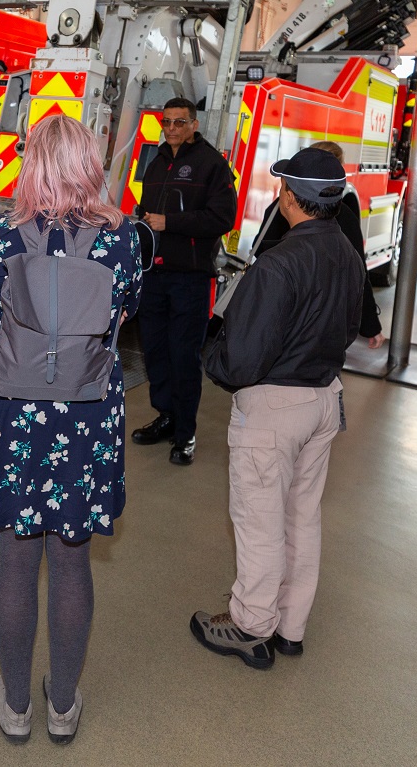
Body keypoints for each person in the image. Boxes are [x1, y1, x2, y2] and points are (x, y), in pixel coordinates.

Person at [0, 114, 142, 744]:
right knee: (72, 562)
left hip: (15, 409)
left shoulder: (3, 237)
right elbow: (125, 312)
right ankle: (62, 704)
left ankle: (14, 704)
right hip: (87, 413)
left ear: (32, 163)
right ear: (91, 163)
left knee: (14, 562)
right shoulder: (124, 240)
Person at [193, 147, 364, 669]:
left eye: (281, 188)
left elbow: (242, 357)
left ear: (291, 197)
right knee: (302, 518)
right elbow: (350, 330)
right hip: (323, 400)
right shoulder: (349, 256)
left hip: (275, 408)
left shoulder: (279, 263)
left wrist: (212, 359)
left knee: (260, 521)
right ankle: (291, 627)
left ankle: (250, 626)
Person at [131, 96, 237, 466]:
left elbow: (222, 218)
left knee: (183, 355)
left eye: (180, 122)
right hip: (154, 275)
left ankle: (186, 434)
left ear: (194, 124)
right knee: (155, 351)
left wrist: (169, 223)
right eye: (167, 122)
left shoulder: (213, 165)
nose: (172, 128)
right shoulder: (158, 160)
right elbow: (149, 212)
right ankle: (166, 416)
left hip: (190, 279)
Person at [251, 140, 385, 348]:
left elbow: (259, 250)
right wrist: (370, 325)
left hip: (278, 324)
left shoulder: (280, 207)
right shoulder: (345, 217)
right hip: (323, 332)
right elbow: (358, 274)